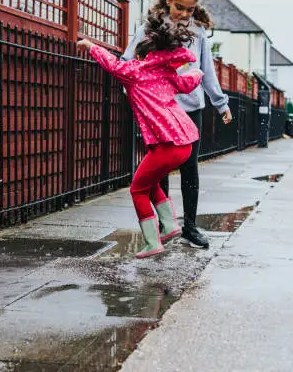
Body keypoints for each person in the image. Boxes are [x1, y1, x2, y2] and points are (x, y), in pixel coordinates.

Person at [77, 18, 203, 259]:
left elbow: (113, 65)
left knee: (137, 189)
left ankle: (152, 241)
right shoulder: (167, 73)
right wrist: (197, 72)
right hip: (183, 143)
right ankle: (169, 224)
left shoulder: (136, 72)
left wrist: (91, 46)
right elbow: (188, 83)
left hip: (167, 145)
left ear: (143, 56)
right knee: (149, 182)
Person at [121, 0, 233, 249]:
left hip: (191, 108)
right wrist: (139, 94)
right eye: (180, 7)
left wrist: (221, 104)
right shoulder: (150, 28)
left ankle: (190, 228)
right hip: (160, 110)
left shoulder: (197, 31)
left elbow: (206, 70)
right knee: (160, 169)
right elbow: (127, 61)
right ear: (169, 0)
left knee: (189, 168)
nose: (184, 14)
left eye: (190, 9)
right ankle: (165, 224)